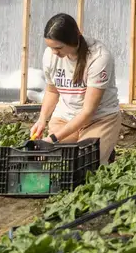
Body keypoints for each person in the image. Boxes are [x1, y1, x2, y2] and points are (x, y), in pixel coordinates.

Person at [30, 13, 121, 166]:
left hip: (98, 119)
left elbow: (87, 112)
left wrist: (52, 139)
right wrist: (42, 119)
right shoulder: (50, 56)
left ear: (76, 37)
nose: (54, 53)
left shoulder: (99, 58)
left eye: (58, 48)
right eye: (50, 47)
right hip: (65, 117)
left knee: (85, 165)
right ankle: (99, 149)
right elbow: (52, 91)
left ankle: (105, 150)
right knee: (58, 163)